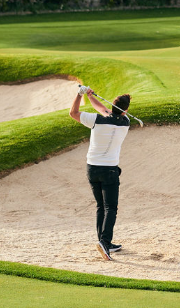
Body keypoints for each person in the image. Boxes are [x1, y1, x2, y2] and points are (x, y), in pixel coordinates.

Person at [68, 85, 131, 261]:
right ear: (125, 111)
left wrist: (80, 95)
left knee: (101, 206)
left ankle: (104, 243)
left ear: (113, 106)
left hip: (92, 168)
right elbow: (106, 110)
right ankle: (104, 242)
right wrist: (90, 96)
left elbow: (74, 113)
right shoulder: (125, 123)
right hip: (109, 170)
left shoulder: (96, 120)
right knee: (110, 207)